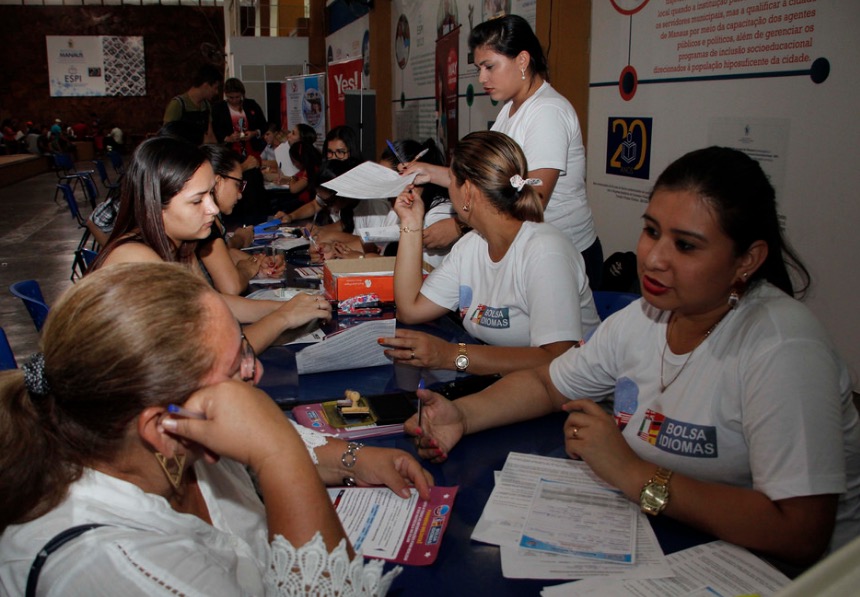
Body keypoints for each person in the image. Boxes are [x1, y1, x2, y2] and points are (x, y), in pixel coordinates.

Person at [408, 146, 860, 569]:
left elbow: (800, 531)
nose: (653, 258)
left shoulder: (782, 347)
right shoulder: (643, 318)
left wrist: (633, 474)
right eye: (651, 231)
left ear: (748, 259)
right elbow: (549, 382)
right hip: (679, 546)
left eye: (685, 245)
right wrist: (461, 416)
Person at [0, 262, 432, 595]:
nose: (256, 369)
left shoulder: (161, 438)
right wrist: (277, 453)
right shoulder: (109, 569)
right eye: (234, 370)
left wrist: (353, 457)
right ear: (162, 426)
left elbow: (247, 431)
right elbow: (260, 435)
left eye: (245, 347)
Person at [404, 14, 603, 289]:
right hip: (526, 246)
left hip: (562, 255)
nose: (482, 78)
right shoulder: (510, 110)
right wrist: (427, 172)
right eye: (478, 69)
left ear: (522, 60)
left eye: (489, 67)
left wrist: (460, 226)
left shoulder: (547, 112)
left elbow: (533, 199)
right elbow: (490, 179)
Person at [380, 131, 598, 376]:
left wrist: (453, 356)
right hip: (508, 387)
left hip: (567, 402)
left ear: (468, 193)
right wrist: (411, 222)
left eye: (451, 179)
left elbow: (558, 359)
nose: (447, 187)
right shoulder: (471, 245)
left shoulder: (544, 252)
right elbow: (410, 309)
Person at [91, 136, 330, 354]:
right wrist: (283, 317)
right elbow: (213, 356)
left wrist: (284, 306)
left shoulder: (180, 245)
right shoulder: (136, 260)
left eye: (210, 195)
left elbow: (212, 303)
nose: (213, 209)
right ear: (156, 203)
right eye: (197, 200)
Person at [198, 144, 284, 295]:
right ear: (217, 182)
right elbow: (231, 288)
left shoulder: (214, 218)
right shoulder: (205, 222)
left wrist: (258, 263)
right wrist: (246, 269)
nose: (239, 195)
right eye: (237, 185)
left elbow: (223, 252)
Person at [163, 63, 223, 144]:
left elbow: (210, 135)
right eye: (215, 88)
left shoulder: (206, 105)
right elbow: (166, 135)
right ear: (206, 85)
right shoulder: (178, 104)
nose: (216, 92)